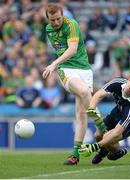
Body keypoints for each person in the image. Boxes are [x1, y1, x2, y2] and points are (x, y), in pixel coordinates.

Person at [42, 3, 93, 165]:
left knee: (81, 114)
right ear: (47, 19)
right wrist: (57, 65)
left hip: (84, 70)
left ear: (63, 15)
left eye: (58, 19)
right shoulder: (49, 30)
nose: (56, 23)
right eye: (52, 20)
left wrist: (52, 64)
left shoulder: (72, 24)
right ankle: (102, 127)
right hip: (67, 69)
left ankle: (78, 154)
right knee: (84, 93)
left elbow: (72, 49)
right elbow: (62, 51)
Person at [79, 73, 130, 164]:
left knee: (108, 137)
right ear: (129, 79)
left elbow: (116, 133)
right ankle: (104, 151)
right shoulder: (117, 82)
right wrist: (92, 108)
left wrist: (94, 147)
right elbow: (99, 94)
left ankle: (118, 152)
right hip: (119, 110)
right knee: (98, 135)